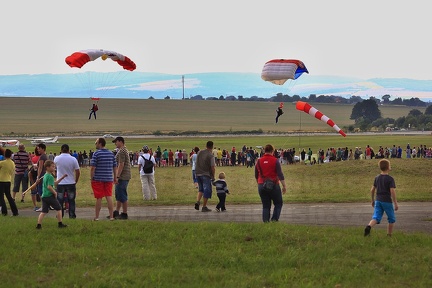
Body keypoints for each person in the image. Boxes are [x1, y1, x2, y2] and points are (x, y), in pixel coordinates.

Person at [364, 159, 398, 237]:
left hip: (378, 200)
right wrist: (395, 203)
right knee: (391, 218)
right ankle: (389, 235)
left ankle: (368, 227)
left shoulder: (377, 178)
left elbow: (372, 190)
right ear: (388, 167)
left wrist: (373, 200)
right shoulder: (390, 179)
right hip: (387, 201)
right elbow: (392, 191)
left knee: (376, 217)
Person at [255, 144, 287, 222]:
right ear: (272, 151)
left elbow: (256, 175)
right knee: (278, 203)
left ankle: (265, 221)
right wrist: (284, 186)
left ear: (264, 151)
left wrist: (259, 183)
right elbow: (280, 174)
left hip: (261, 184)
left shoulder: (258, 161)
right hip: (274, 185)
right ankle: (274, 219)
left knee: (266, 206)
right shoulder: (275, 160)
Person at [90, 138, 117, 221]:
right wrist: (115, 177)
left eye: (96, 143)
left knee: (99, 197)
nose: (95, 144)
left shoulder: (96, 154)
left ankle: (97, 217)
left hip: (98, 178)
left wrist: (92, 178)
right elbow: (114, 166)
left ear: (100, 143)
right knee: (109, 196)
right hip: (109, 178)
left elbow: (93, 168)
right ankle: (111, 216)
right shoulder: (111, 153)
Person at [36, 160, 68, 229]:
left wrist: (62, 178)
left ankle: (39, 225)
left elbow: (54, 183)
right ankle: (60, 223)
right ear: (47, 167)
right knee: (59, 208)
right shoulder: (50, 176)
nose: (54, 168)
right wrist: (55, 192)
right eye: (52, 167)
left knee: (44, 211)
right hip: (49, 196)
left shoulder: (45, 175)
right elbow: (49, 187)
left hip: (44, 196)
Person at [54, 144, 80, 219]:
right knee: (71, 200)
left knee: (60, 201)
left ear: (61, 150)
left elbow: (53, 168)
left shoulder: (57, 158)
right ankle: (72, 215)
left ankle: (60, 215)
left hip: (60, 183)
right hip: (71, 182)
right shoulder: (73, 159)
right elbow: (78, 171)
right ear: (69, 150)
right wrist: (76, 180)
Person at [112, 136, 131, 219]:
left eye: (116, 142)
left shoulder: (122, 151)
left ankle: (124, 213)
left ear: (120, 141)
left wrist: (117, 176)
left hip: (122, 176)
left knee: (122, 194)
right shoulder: (123, 150)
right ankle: (116, 212)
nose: (115, 144)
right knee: (119, 194)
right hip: (124, 175)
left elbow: (121, 164)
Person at [194, 141, 216, 212]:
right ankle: (204, 206)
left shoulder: (199, 152)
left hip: (197, 173)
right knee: (207, 190)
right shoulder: (211, 155)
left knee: (201, 189)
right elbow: (213, 167)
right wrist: (213, 176)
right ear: (212, 146)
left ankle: (197, 201)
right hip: (205, 174)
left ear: (206, 145)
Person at [0, 149, 19, 216]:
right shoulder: (12, 163)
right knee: (9, 196)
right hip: (8, 180)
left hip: (1, 180)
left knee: (1, 197)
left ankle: (4, 211)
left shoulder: (2, 163)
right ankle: (15, 211)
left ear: (4, 155)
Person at [35, 143, 48, 212]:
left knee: (41, 191)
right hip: (44, 175)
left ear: (43, 149)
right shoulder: (45, 156)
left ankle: (43, 206)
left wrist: (38, 177)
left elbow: (40, 167)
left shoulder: (42, 157)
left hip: (41, 176)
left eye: (39, 149)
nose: (38, 150)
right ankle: (45, 206)